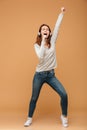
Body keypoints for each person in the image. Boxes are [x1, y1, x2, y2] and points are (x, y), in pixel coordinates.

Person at [24, 7, 68, 127]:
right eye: (43, 29)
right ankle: (29, 118)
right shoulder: (37, 45)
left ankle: (64, 116)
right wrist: (43, 41)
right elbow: (41, 57)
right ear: (40, 32)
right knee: (34, 98)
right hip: (39, 75)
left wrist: (61, 14)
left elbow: (57, 27)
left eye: (47, 29)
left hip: (50, 75)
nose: (45, 30)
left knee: (64, 94)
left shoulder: (53, 41)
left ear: (49, 32)